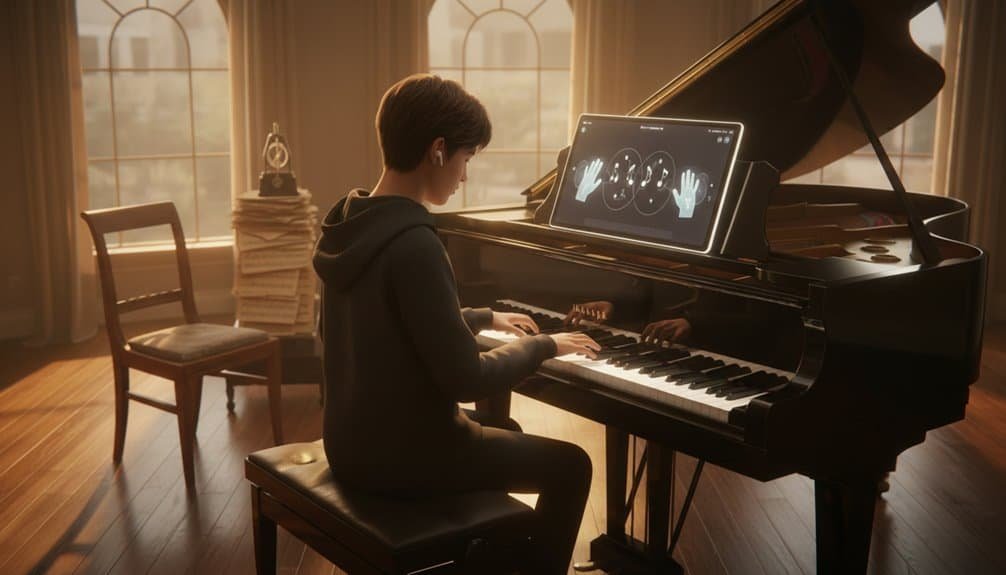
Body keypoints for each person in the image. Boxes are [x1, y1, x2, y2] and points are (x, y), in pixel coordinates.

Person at [312, 73, 600, 574]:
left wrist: (484, 316)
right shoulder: (415, 241)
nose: (464, 175)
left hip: (352, 446)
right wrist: (546, 345)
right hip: (406, 457)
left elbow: (389, 322)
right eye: (467, 158)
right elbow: (468, 377)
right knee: (572, 465)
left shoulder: (351, 222)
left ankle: (484, 557)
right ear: (439, 150)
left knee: (504, 427)